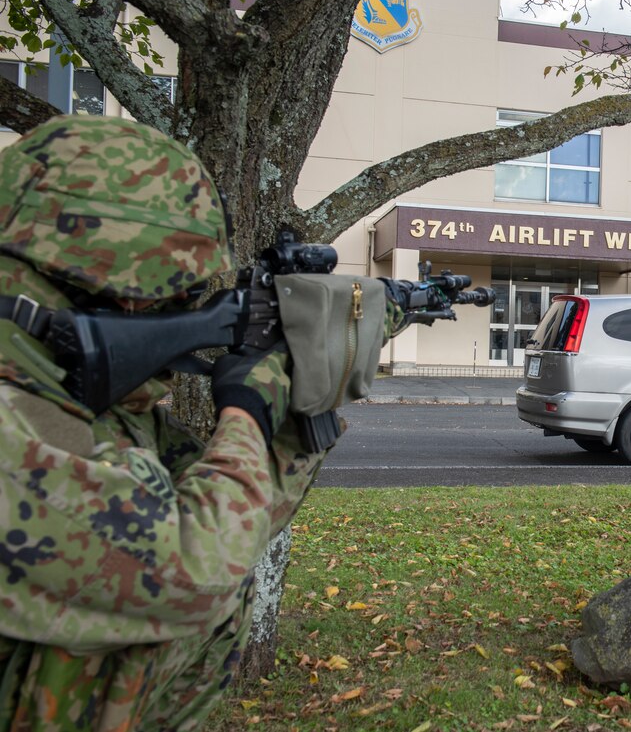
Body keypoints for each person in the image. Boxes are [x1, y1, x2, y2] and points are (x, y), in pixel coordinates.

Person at [0, 115, 396, 730]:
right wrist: (247, 410)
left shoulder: (79, 407)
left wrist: (308, 390)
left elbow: (237, 520)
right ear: (108, 281)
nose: (189, 308)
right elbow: (197, 569)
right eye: (174, 297)